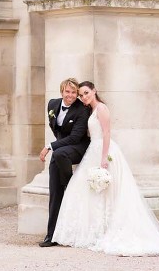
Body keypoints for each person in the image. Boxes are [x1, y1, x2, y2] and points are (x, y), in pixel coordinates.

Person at [52, 81, 159, 256]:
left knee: (108, 191)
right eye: (81, 95)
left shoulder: (102, 108)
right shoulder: (90, 110)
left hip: (103, 151)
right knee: (88, 190)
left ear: (94, 91)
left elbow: (106, 133)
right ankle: (93, 231)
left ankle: (106, 230)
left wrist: (104, 158)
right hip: (93, 151)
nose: (83, 97)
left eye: (86, 93)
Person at [39, 77, 91, 247]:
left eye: (74, 92)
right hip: (61, 150)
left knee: (58, 154)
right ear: (62, 91)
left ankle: (69, 182)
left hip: (78, 147)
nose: (70, 95)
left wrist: (50, 146)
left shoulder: (82, 109)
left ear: (77, 94)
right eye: (67, 92)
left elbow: (76, 137)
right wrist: (56, 146)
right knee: (55, 192)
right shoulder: (52, 104)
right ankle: (51, 235)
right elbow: (55, 128)